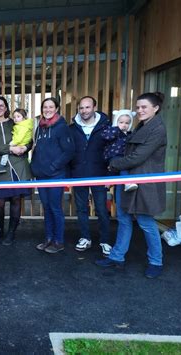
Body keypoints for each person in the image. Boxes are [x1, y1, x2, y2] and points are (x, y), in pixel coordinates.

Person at [96, 92, 167, 279]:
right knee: (124, 218)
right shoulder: (141, 126)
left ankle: (156, 261)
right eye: (138, 107)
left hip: (144, 182)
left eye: (144, 107)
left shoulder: (157, 129)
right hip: (127, 178)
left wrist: (113, 164)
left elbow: (138, 157)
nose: (140, 110)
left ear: (156, 108)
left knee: (145, 222)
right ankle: (117, 256)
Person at [0, 96, 32, 246]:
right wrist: (11, 148)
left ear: (6, 108)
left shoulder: (14, 122)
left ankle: (11, 233)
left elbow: (27, 137)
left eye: (1, 105)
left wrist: (25, 147)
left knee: (16, 201)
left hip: (17, 168)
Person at [69, 96, 112, 256]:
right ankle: (85, 238)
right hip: (79, 175)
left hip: (99, 175)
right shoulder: (72, 128)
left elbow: (112, 151)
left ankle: (105, 240)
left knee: (101, 209)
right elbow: (69, 152)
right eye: (81, 108)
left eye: (87, 107)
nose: (84, 111)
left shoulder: (106, 127)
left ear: (94, 107)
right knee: (81, 209)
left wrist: (109, 176)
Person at [31, 97, 75, 253]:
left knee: (56, 208)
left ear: (56, 109)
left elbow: (69, 151)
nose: (47, 110)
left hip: (56, 175)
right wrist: (34, 168)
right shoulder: (40, 127)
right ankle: (48, 238)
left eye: (51, 107)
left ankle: (59, 241)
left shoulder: (61, 127)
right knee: (47, 207)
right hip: (41, 176)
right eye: (45, 107)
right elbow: (37, 150)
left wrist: (53, 167)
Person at [101, 109, 137, 191]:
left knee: (118, 169)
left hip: (124, 156)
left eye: (127, 123)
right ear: (116, 122)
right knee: (120, 166)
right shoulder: (113, 130)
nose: (124, 125)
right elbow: (105, 136)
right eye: (121, 122)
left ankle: (108, 183)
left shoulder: (130, 134)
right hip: (113, 155)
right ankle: (127, 182)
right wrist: (116, 129)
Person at [0, 108, 34, 173]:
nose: (15, 119)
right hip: (21, 143)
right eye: (14, 117)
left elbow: (19, 137)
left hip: (20, 143)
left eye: (18, 116)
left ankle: (2, 165)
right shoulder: (21, 125)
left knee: (6, 151)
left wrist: (11, 144)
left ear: (24, 117)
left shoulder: (23, 127)